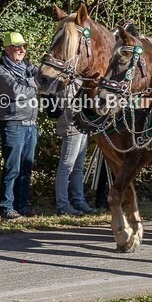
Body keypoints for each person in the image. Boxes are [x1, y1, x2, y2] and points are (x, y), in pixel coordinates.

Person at [0, 31, 39, 219]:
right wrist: (34, 84)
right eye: (17, 47)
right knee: (13, 167)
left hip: (31, 124)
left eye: (23, 46)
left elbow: (43, 78)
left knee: (27, 167)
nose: (22, 50)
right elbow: (16, 92)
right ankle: (6, 206)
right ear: (7, 49)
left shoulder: (27, 67)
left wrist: (32, 82)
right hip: (13, 124)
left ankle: (22, 205)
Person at [54, 76, 94, 215]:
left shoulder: (78, 78)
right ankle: (62, 204)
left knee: (78, 167)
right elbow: (68, 103)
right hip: (72, 125)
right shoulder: (65, 81)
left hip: (82, 125)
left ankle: (78, 200)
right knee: (66, 165)